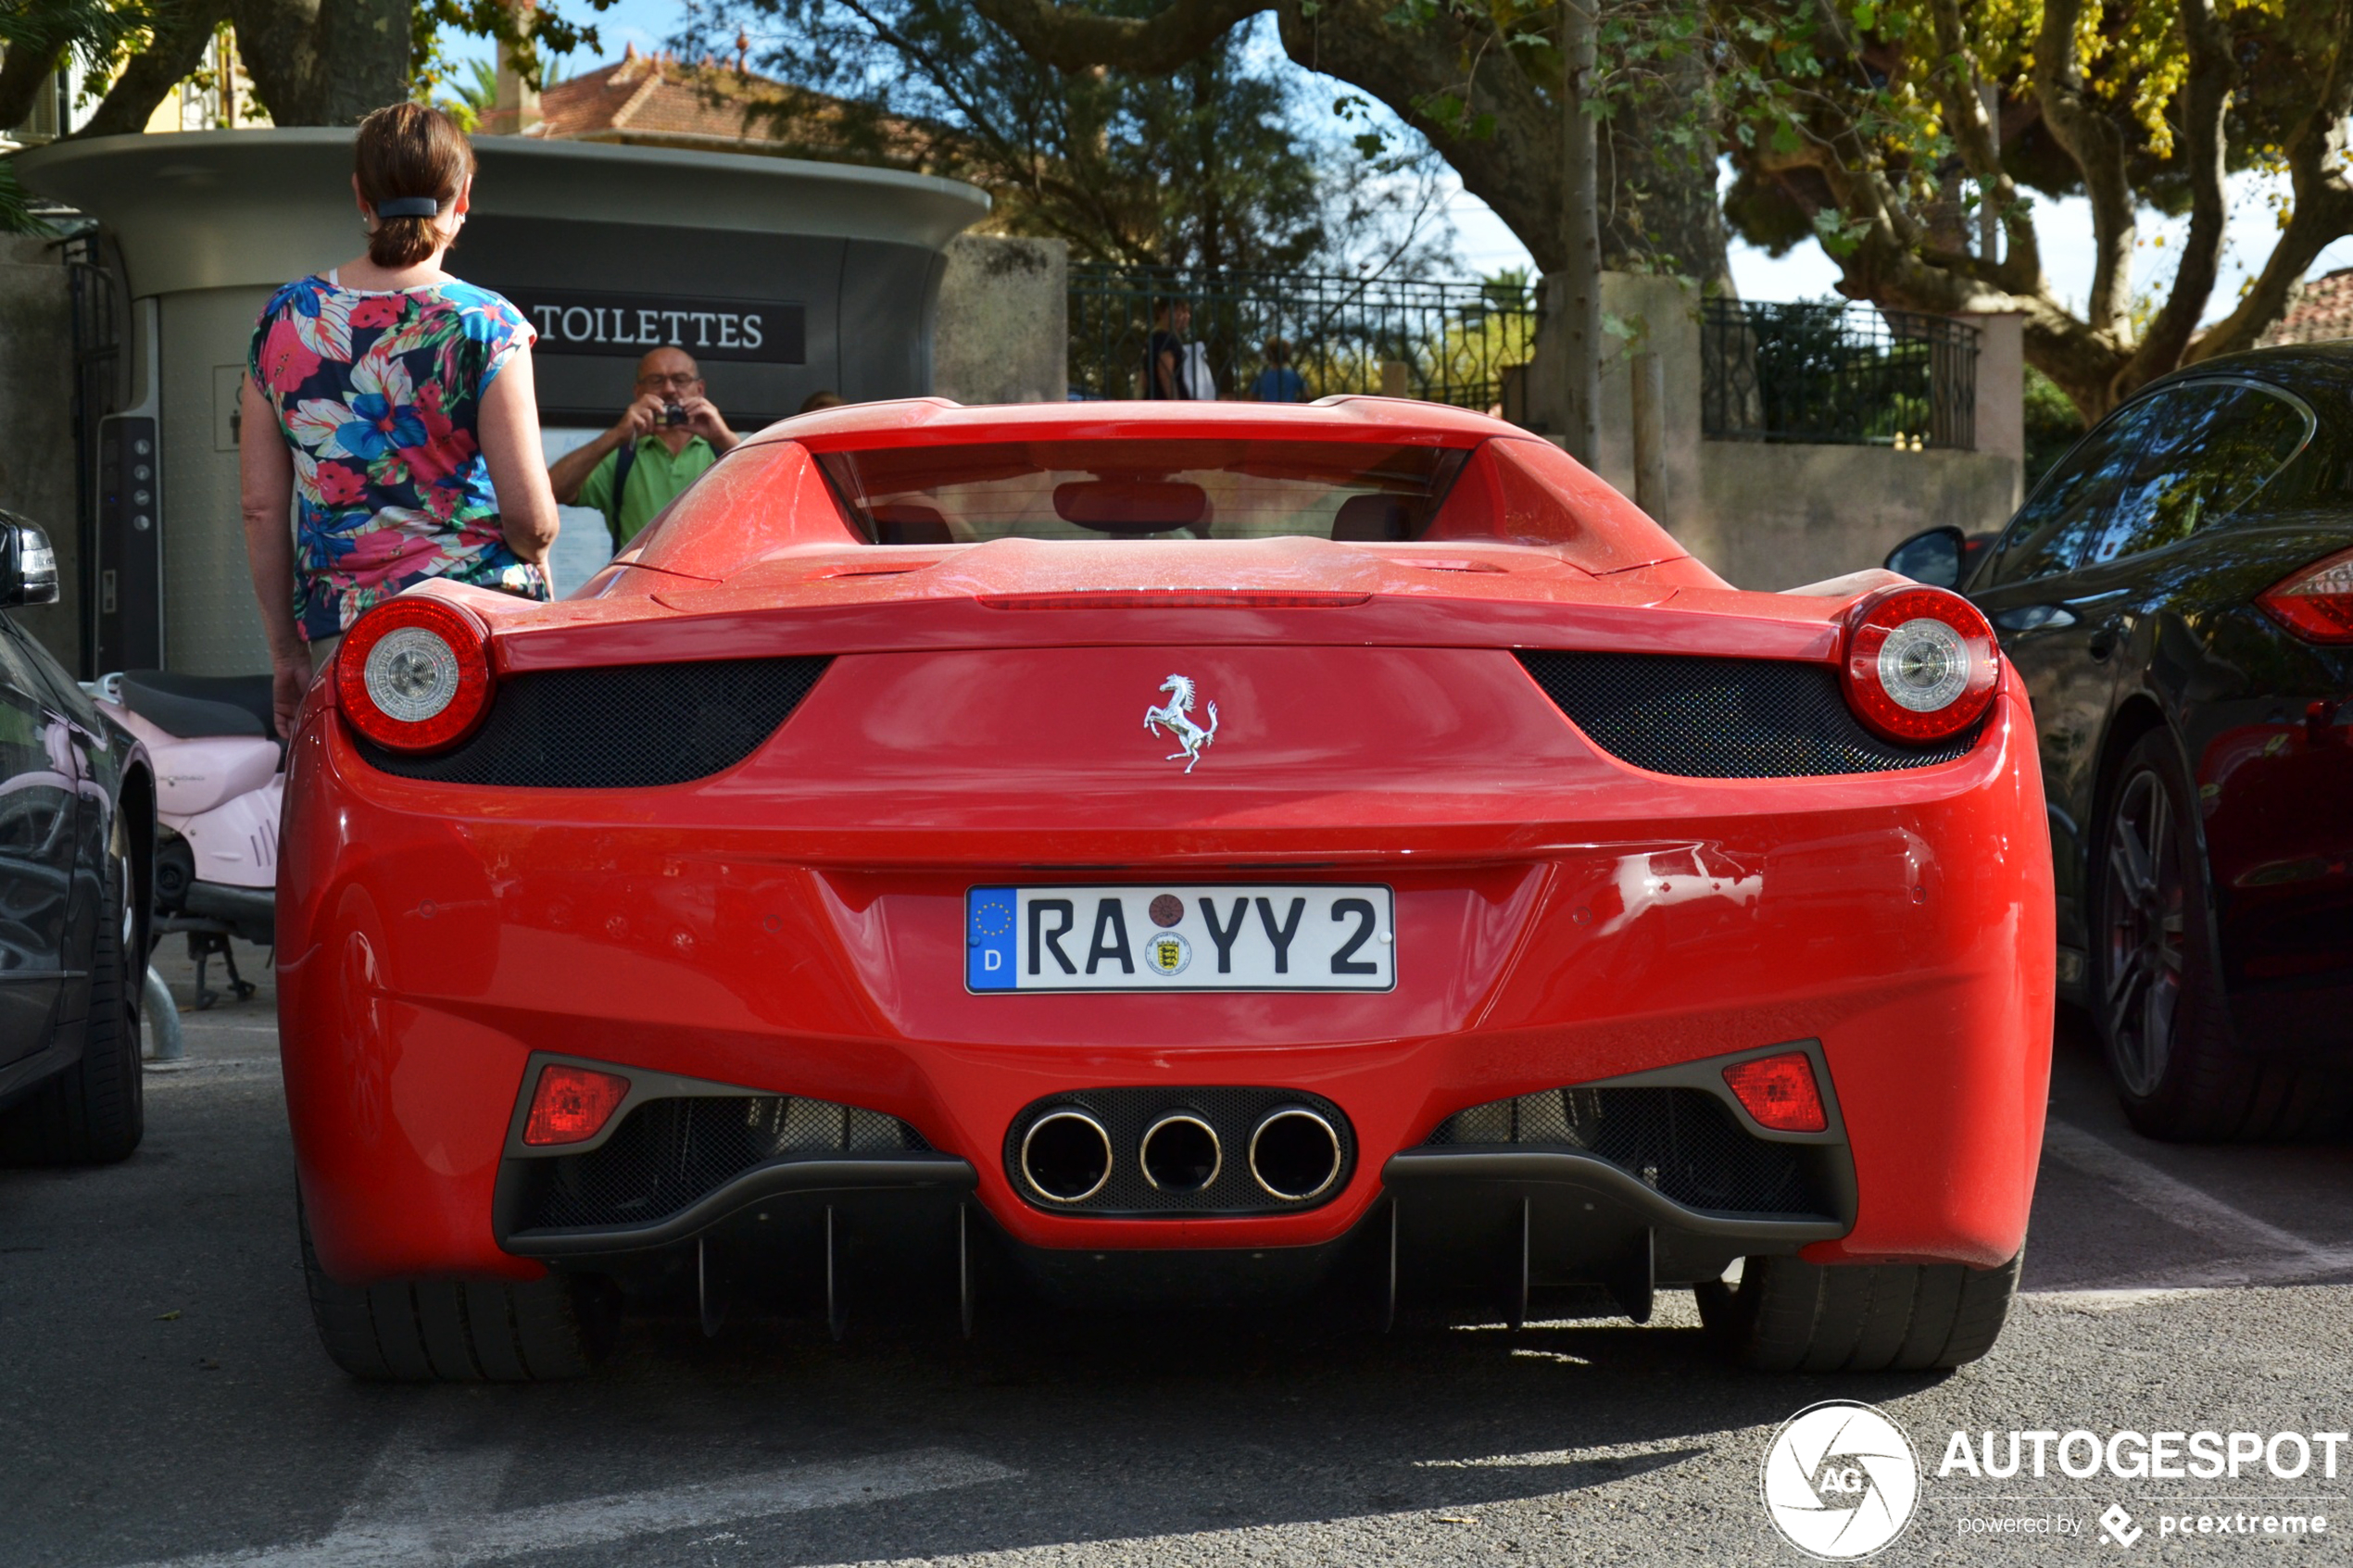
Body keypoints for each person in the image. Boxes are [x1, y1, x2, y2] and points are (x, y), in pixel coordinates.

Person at [240, 102, 560, 739]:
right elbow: (532, 521)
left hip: (348, 633)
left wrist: (286, 655)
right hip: (481, 622)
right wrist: (541, 553)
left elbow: (261, 508)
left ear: (360, 194)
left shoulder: (287, 319)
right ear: (463, 196)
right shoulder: (487, 325)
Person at [547, 346, 740, 549]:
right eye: (656, 381)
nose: (669, 390)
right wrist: (617, 435)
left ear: (700, 389)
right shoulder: (622, 455)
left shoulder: (729, 449)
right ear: (638, 392)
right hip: (642, 580)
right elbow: (551, 493)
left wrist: (724, 439)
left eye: (680, 379)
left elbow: (775, 497)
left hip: (715, 580)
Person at [1249, 337, 1305, 403]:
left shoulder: (1262, 376)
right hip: (1289, 410)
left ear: (1268, 355)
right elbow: (1308, 395)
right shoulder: (1294, 375)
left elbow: (1252, 397)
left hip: (1268, 410)